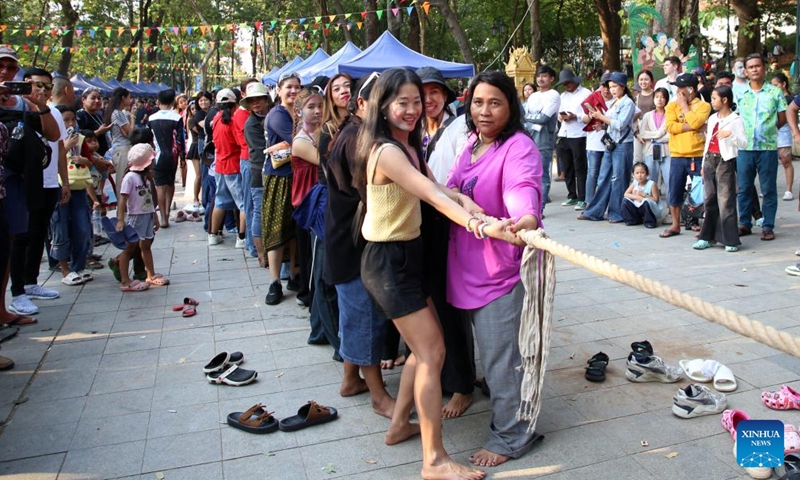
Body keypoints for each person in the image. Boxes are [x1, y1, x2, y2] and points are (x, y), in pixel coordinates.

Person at [353, 68, 512, 480]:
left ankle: (397, 426)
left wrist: (466, 200)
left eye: (416, 101)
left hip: (406, 256)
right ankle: (434, 461)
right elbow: (431, 198)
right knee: (432, 354)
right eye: (401, 102)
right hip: (389, 263)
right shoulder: (386, 150)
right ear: (383, 106)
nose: (411, 109)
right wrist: (479, 224)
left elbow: (439, 188)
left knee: (420, 352)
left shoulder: (407, 146)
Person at [445, 71, 543, 468]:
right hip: (464, 265)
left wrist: (525, 220)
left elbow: (524, 190)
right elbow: (449, 187)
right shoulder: (471, 143)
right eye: (478, 102)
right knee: (491, 356)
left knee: (503, 359)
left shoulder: (518, 147)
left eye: (495, 103)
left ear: (511, 107)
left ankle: (512, 436)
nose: (484, 111)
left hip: (498, 272)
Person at [324, 73, 396, 416]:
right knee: (365, 316)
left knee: (353, 313)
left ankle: (350, 379)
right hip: (354, 243)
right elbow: (370, 193)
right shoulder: (359, 139)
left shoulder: (352, 131)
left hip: (343, 239)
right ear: (363, 104)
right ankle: (379, 396)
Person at [416, 66, 475, 418]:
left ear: (446, 95)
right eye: (422, 94)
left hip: (451, 222)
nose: (428, 99)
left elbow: (460, 178)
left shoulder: (458, 129)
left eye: (434, 92)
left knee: (452, 308)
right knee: (436, 305)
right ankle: (451, 373)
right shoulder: (419, 131)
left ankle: (463, 386)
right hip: (428, 225)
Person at [6, 68, 68, 317]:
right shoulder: (14, 108)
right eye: (34, 85)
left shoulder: (50, 111)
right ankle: (17, 291)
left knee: (39, 233)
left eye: (45, 86)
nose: (39, 90)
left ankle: (31, 282)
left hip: (49, 181)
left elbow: (58, 144)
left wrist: (63, 180)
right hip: (21, 182)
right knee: (20, 236)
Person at [735, 53, 787, 241]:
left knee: (768, 188)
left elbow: (781, 118)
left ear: (764, 69)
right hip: (745, 148)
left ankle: (767, 226)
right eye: (751, 67)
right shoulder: (740, 94)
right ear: (746, 71)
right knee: (744, 188)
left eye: (758, 66)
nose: (755, 69)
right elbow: (735, 118)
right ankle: (744, 223)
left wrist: (768, 131)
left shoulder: (775, 92)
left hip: (767, 148)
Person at [263, 72, 302, 306]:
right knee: (276, 230)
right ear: (279, 90)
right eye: (289, 87)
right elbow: (299, 139)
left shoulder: (297, 112)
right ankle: (275, 281)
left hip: (297, 176)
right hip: (279, 178)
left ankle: (295, 273)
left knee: (295, 228)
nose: (293, 91)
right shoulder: (277, 114)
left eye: (297, 87)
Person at [692, 86, 746, 252]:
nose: (711, 101)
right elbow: (708, 142)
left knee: (726, 200)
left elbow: (744, 143)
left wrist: (731, 135)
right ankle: (707, 237)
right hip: (709, 160)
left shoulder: (735, 120)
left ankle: (730, 239)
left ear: (725, 100)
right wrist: (702, 165)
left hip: (725, 161)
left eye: (714, 98)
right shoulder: (713, 118)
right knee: (710, 199)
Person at [577, 71, 635, 223]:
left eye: (615, 86)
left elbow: (620, 124)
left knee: (618, 179)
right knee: (603, 177)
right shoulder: (616, 101)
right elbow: (611, 122)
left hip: (622, 144)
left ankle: (617, 213)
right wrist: (601, 123)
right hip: (611, 143)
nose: (612, 90)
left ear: (623, 87)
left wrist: (601, 117)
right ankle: (594, 211)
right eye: (610, 87)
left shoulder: (628, 103)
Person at [660, 73, 711, 238]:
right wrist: (692, 126)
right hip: (677, 155)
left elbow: (696, 122)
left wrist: (685, 108)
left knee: (700, 192)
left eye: (681, 88)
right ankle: (676, 225)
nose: (678, 91)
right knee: (674, 190)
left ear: (691, 89)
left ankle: (703, 225)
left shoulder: (704, 106)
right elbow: (670, 127)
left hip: (696, 154)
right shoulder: (670, 107)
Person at [49, 112, 95, 286]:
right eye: (65, 119)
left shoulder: (80, 139)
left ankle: (78, 267)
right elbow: (48, 162)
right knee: (61, 228)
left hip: (79, 188)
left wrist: (85, 159)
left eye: (72, 119)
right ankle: (64, 269)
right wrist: (65, 147)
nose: (70, 123)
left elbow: (90, 162)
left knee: (82, 228)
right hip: (59, 187)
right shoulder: (52, 138)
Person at [116, 143, 169, 290]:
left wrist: (155, 216)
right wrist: (120, 219)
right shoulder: (130, 178)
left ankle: (150, 274)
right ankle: (125, 280)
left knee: (146, 245)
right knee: (129, 248)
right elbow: (123, 200)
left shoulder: (146, 177)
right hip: (135, 217)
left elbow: (149, 199)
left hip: (146, 215)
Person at [290, 88, 323, 315]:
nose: (317, 111)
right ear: (299, 112)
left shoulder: (318, 133)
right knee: (309, 256)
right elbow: (325, 160)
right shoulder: (300, 141)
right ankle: (310, 298)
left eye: (320, 106)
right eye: (311, 107)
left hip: (317, 200)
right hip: (306, 202)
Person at [207, 88, 246, 248]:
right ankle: (241, 238)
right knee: (242, 203)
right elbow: (240, 142)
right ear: (235, 103)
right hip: (233, 165)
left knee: (220, 201)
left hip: (220, 166)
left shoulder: (215, 118)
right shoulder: (232, 121)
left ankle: (213, 234)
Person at [241, 83, 273, 267]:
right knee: (259, 212)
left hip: (272, 171)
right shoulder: (251, 124)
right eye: (251, 100)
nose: (255, 103)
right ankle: (260, 253)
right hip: (258, 171)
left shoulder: (273, 115)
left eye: (258, 99)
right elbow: (263, 150)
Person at [147, 88, 185, 228]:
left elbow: (148, 139)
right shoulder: (177, 118)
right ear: (172, 101)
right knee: (170, 184)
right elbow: (180, 139)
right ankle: (168, 212)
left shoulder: (152, 118)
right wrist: (182, 158)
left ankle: (163, 217)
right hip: (172, 157)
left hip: (157, 156)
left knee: (160, 188)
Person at [524, 65, 560, 210]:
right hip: (529, 139)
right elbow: (523, 116)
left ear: (551, 78)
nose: (540, 79)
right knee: (529, 174)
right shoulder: (533, 96)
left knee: (543, 175)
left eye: (544, 76)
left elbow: (544, 118)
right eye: (539, 76)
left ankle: (540, 207)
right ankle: (530, 205)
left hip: (544, 140)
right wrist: (534, 117)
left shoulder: (554, 95)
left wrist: (530, 118)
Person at [555, 69, 591, 209]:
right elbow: (559, 112)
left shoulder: (585, 93)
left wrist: (576, 116)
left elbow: (590, 113)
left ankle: (583, 197)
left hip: (579, 134)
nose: (567, 85)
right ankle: (572, 195)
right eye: (564, 83)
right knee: (567, 166)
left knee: (580, 167)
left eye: (568, 82)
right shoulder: (562, 96)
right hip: (564, 133)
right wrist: (561, 116)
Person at [580, 72, 614, 206]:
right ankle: (589, 202)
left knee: (606, 174)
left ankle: (604, 202)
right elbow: (584, 120)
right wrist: (590, 115)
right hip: (594, 142)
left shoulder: (618, 100)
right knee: (592, 172)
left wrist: (603, 124)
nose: (606, 90)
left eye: (609, 86)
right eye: (603, 86)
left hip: (610, 142)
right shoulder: (593, 98)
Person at [234, 78, 259, 256]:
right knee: (251, 205)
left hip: (250, 160)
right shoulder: (244, 116)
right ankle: (252, 245)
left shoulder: (251, 114)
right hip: (249, 161)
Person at [637, 88, 671, 197]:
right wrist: (658, 135)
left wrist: (654, 137)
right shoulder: (647, 115)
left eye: (662, 97)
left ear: (666, 99)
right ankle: (651, 204)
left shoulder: (670, 115)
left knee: (669, 178)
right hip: (650, 150)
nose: (659, 100)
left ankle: (671, 206)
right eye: (657, 97)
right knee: (651, 179)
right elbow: (643, 133)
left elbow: (670, 135)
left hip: (667, 150)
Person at [771, 72, 795, 201]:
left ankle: (789, 189)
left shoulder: (790, 99)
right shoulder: (771, 97)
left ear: (783, 84)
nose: (774, 87)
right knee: (770, 162)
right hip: (771, 131)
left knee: (786, 160)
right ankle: (769, 187)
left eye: (776, 85)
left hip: (784, 131)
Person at [188, 91, 212, 214]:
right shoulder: (198, 115)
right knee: (204, 173)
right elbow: (207, 126)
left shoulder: (212, 112)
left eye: (206, 100)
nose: (203, 102)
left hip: (211, 144)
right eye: (201, 100)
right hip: (204, 144)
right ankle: (204, 201)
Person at [104, 87, 132, 195]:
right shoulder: (117, 113)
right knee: (123, 183)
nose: (131, 100)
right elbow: (129, 132)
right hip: (122, 149)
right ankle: (121, 210)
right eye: (129, 97)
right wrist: (133, 118)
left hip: (123, 149)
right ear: (123, 98)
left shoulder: (118, 113)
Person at [621, 162, 660, 228]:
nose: (640, 175)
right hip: (637, 206)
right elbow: (626, 194)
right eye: (637, 173)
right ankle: (632, 220)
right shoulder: (635, 182)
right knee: (625, 201)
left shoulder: (652, 184)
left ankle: (650, 222)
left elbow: (656, 200)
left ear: (647, 174)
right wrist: (636, 197)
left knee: (646, 202)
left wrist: (643, 195)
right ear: (633, 175)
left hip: (648, 208)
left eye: (642, 173)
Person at [76, 87, 111, 157]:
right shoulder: (80, 115)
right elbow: (79, 137)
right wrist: (99, 131)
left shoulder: (98, 115)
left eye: (99, 98)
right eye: (93, 98)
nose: (97, 101)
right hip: (91, 157)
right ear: (83, 100)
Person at [633, 70, 656, 163]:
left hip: (653, 131)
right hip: (639, 132)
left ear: (651, 81)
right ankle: (637, 177)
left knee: (652, 159)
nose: (643, 82)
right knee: (637, 159)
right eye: (641, 79)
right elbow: (633, 118)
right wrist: (637, 134)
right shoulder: (636, 98)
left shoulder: (656, 95)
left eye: (646, 79)